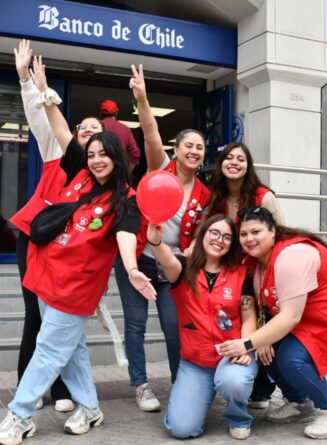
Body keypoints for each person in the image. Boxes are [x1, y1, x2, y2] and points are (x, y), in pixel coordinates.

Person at [0, 51, 156, 445]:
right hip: (46, 275)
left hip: (76, 288)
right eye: (93, 153)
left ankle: (20, 415)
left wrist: (132, 268)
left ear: (117, 157)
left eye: (104, 154)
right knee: (74, 350)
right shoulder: (80, 171)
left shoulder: (126, 199)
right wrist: (43, 90)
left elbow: (125, 237)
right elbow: (60, 128)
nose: (96, 159)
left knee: (49, 350)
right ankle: (91, 408)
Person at [217, 207, 327, 440]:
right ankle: (300, 403)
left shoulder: (292, 256)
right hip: (302, 318)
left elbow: (290, 316)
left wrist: (247, 343)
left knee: (291, 359)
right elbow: (265, 306)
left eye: (256, 231)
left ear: (273, 231)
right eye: (243, 234)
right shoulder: (254, 262)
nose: (249, 239)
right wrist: (261, 340)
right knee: (267, 352)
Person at [8, 40, 106, 414]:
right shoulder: (56, 148)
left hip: (71, 251)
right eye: (82, 127)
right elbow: (40, 118)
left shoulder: (102, 177)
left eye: (95, 129)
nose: (87, 131)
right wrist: (26, 80)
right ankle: (27, 388)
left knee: (61, 320)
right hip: (35, 237)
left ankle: (64, 389)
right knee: (35, 315)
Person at [112, 63, 210, 412]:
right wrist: (142, 100)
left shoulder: (204, 192)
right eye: (188, 146)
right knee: (136, 325)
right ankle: (140, 385)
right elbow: (151, 135)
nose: (194, 152)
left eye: (199, 148)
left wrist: (191, 252)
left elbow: (202, 232)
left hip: (172, 268)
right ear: (178, 149)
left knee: (174, 326)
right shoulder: (159, 169)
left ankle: (179, 382)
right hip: (137, 260)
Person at [147, 214, 258, 440]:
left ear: (232, 243)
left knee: (233, 381)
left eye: (227, 237)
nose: (219, 239)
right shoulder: (184, 269)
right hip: (196, 362)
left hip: (232, 354)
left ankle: (238, 417)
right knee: (181, 429)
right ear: (203, 235)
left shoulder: (240, 273)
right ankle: (203, 393)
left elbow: (248, 317)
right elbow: (168, 260)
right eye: (214, 233)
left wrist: (245, 346)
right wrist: (156, 242)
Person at [205, 141, 286, 408]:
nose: (234, 163)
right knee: (246, 326)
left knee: (267, 332)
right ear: (221, 164)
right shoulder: (215, 196)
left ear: (248, 165)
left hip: (260, 271)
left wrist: (271, 271)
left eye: (241, 159)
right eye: (229, 158)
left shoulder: (264, 196)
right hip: (232, 274)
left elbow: (280, 235)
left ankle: (269, 389)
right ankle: (252, 386)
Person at [100, 99, 140, 171]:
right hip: (119, 173)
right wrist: (127, 172)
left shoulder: (95, 127)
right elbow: (135, 154)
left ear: (102, 113)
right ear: (116, 113)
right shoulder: (125, 129)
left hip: (98, 171)